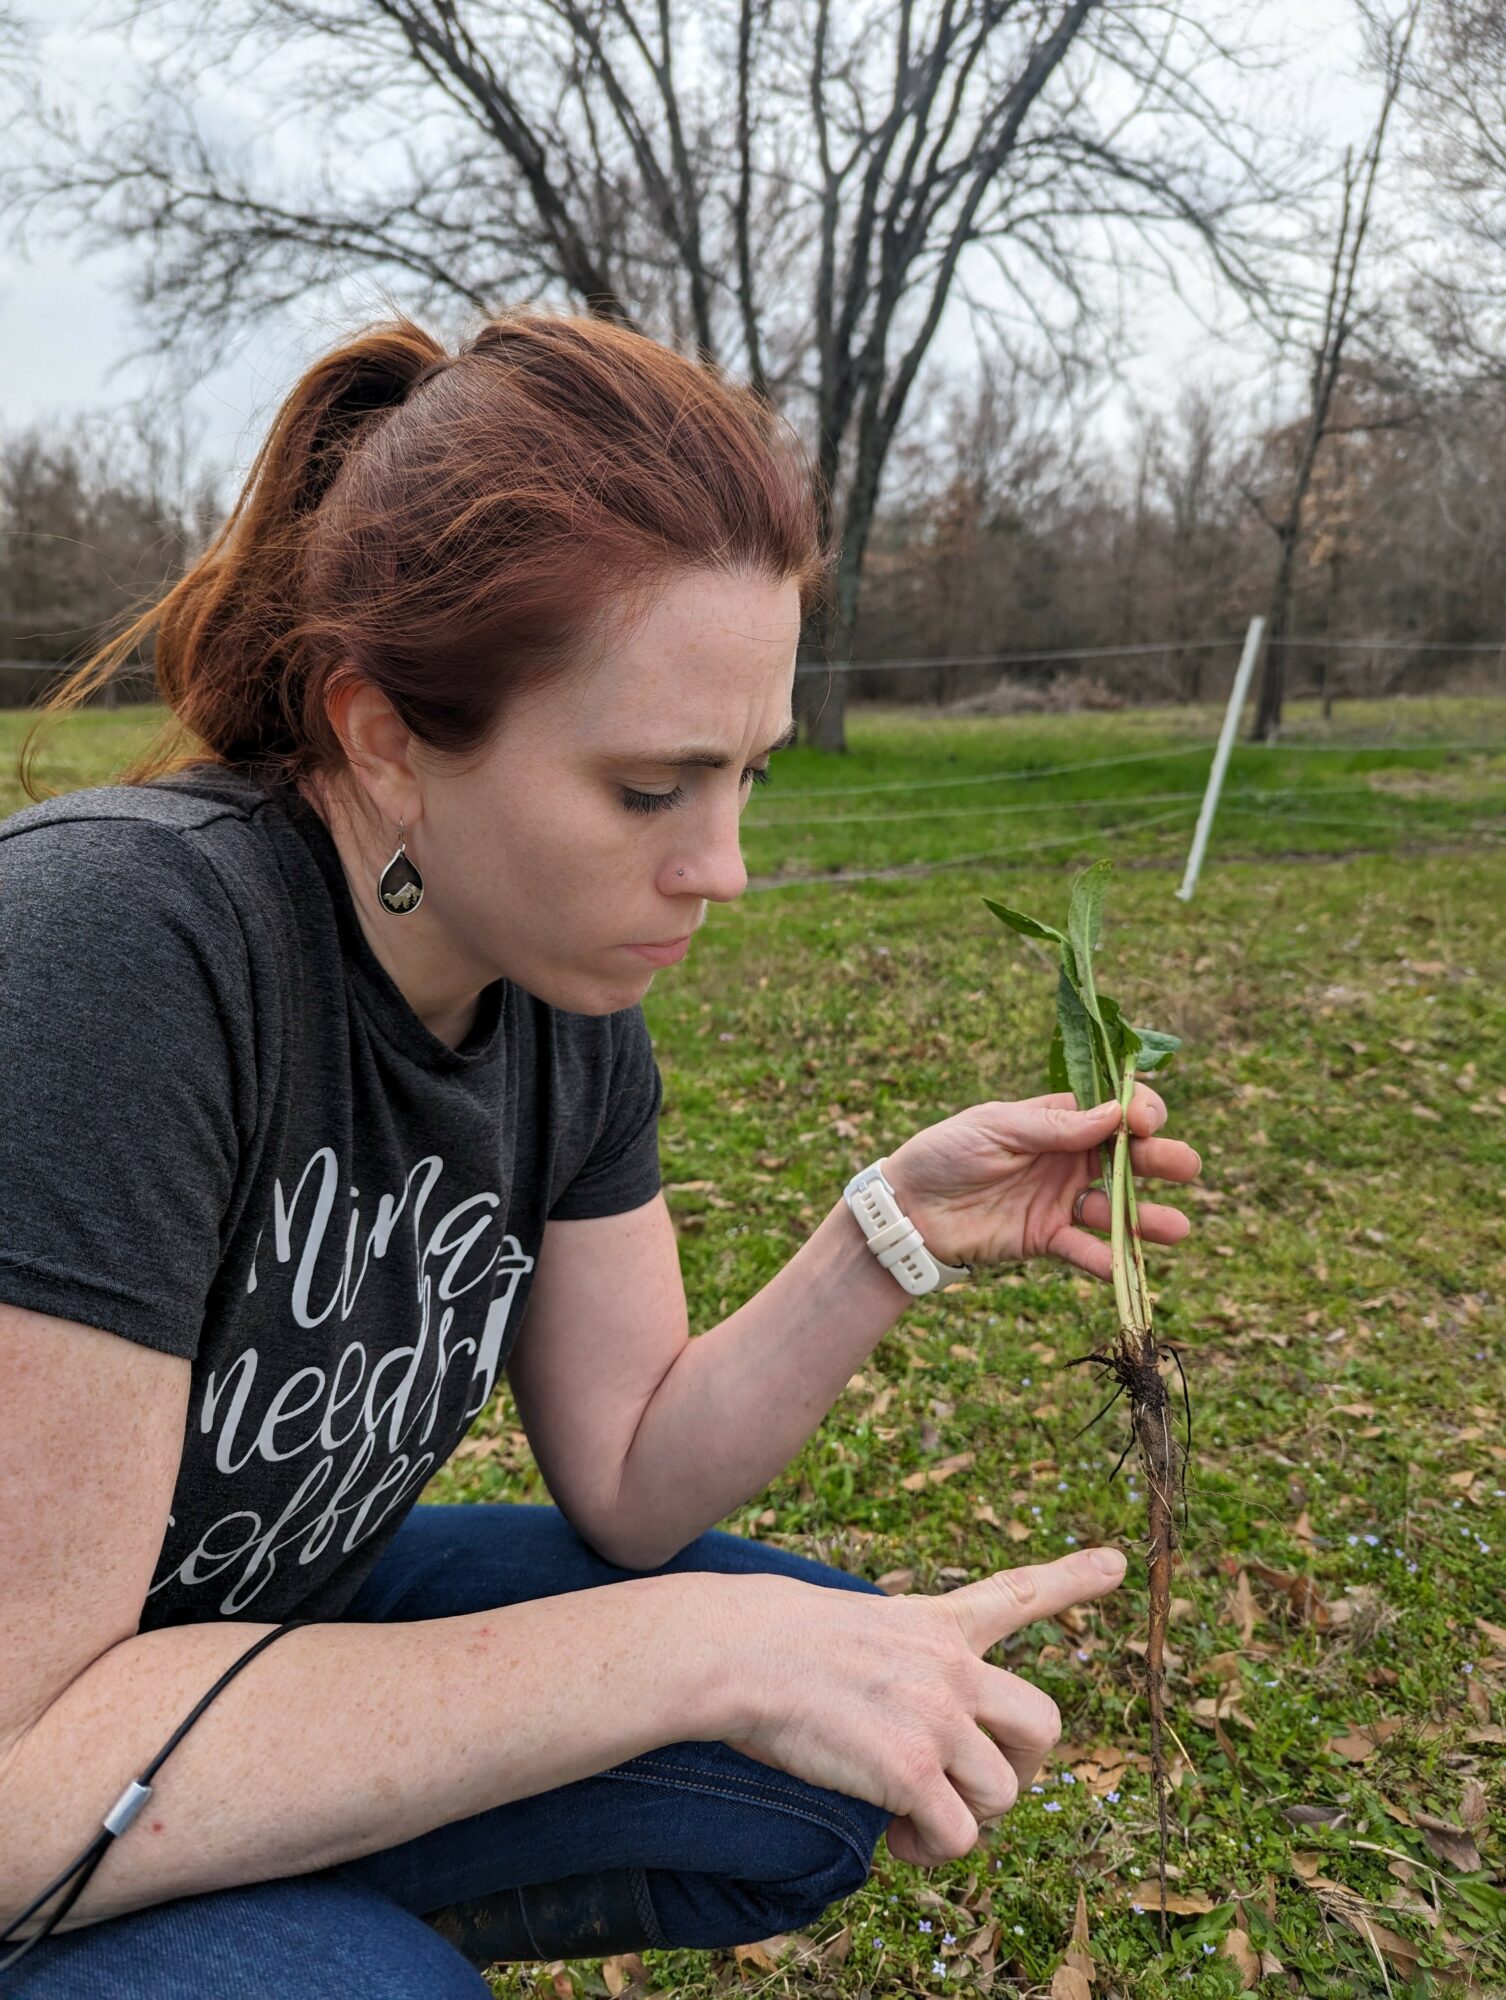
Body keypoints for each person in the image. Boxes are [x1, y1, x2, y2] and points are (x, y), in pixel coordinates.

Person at [0, 309, 1201, 1998]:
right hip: (41, 1752)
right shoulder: (115, 950)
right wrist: (690, 1652)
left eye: (747, 776)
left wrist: (887, 1233)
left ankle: (266, 1906)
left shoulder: (553, 993)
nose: (723, 868)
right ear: (384, 738)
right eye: (650, 791)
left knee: (814, 1751)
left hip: (252, 1627)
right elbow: (19, 1768)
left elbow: (633, 1481)